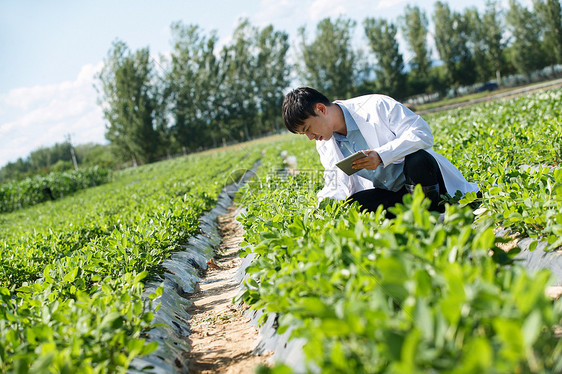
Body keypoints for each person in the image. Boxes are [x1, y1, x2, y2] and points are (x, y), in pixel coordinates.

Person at [281, 87, 479, 213]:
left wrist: (382, 155)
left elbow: (422, 133)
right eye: (303, 134)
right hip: (394, 194)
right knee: (353, 204)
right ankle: (417, 214)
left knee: (418, 160)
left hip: (424, 182)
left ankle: (434, 212)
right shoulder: (324, 142)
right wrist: (321, 206)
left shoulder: (376, 105)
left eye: (307, 129)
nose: (310, 137)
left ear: (321, 109)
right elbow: (335, 182)